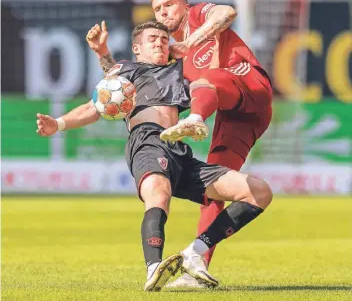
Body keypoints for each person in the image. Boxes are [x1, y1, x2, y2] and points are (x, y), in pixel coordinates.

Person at [37, 21, 273, 291]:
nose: (160, 42)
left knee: (259, 192)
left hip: (180, 149)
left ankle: (194, 252)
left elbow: (213, 77)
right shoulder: (127, 72)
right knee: (158, 193)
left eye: (164, 38)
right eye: (152, 39)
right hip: (148, 140)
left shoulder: (180, 72)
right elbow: (96, 105)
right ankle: (153, 268)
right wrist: (59, 123)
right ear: (137, 48)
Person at [94, 0, 274, 287]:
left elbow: (227, 12)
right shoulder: (167, 54)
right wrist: (103, 55)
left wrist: (192, 41)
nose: (164, 12)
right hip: (233, 116)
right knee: (216, 190)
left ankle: (194, 118)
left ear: (185, 5)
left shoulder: (198, 17)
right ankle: (197, 259)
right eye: (158, 8)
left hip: (251, 86)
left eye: (170, 4)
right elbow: (127, 80)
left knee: (204, 80)